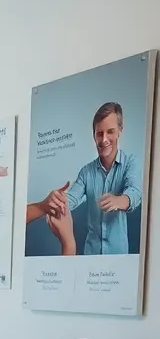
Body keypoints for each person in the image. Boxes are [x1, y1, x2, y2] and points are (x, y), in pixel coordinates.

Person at [27, 102, 143, 256]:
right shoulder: (86, 172)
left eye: (110, 132)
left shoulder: (130, 162)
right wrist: (57, 201)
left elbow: (135, 191)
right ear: (93, 135)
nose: (104, 139)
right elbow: (71, 199)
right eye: (99, 133)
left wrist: (120, 200)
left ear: (120, 131)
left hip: (118, 257)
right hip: (90, 256)